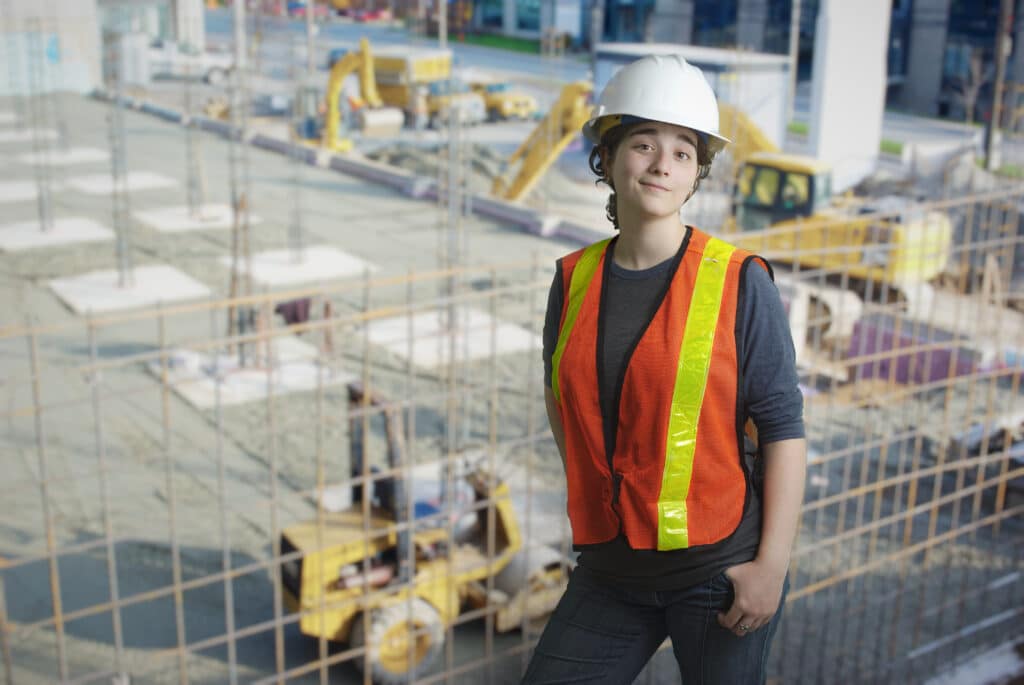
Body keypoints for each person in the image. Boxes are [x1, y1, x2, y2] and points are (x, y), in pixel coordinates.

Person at [522, 54, 807, 684]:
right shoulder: (574, 277)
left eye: (682, 153)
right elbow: (558, 395)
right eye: (644, 144)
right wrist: (603, 493)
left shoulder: (739, 280)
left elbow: (783, 428)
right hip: (610, 571)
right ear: (609, 156)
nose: (661, 165)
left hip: (718, 575)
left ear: (696, 174)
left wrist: (772, 567)